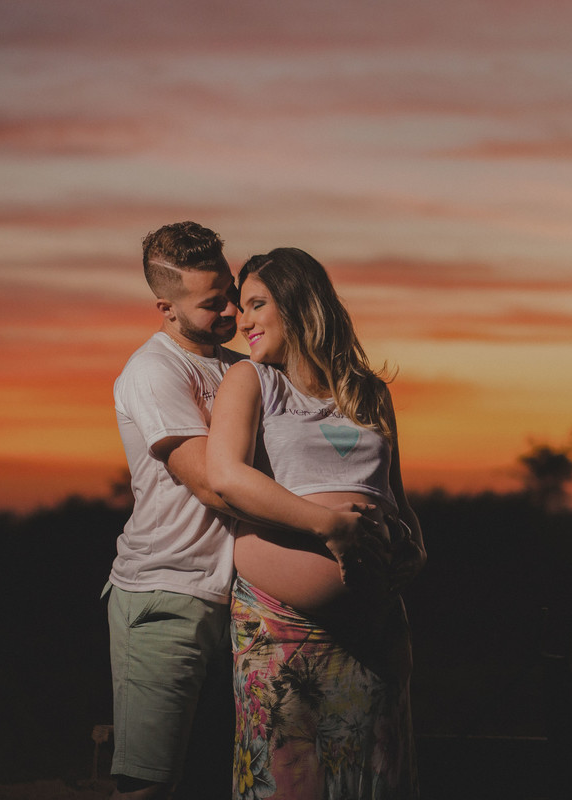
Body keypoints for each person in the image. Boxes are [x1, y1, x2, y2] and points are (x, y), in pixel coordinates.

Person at [109, 225, 378, 800]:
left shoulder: (241, 364)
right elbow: (216, 486)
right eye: (212, 302)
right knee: (149, 781)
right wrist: (330, 525)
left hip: (232, 596)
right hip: (168, 591)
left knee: (218, 775)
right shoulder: (154, 372)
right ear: (166, 307)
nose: (231, 308)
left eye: (231, 292)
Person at [206, 247, 426, 800]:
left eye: (258, 304)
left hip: (372, 628)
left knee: (373, 775)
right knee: (289, 780)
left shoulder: (369, 393)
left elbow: (395, 496)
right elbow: (227, 476)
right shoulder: (251, 381)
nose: (244, 320)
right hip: (282, 631)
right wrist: (331, 527)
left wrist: (415, 545)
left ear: (300, 303)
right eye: (241, 307)